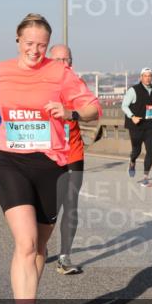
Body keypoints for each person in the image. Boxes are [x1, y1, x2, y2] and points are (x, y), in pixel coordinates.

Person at [0, 14, 100, 304]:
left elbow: (93, 109)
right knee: (26, 243)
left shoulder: (59, 72)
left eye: (41, 45)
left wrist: (69, 112)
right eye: (29, 44)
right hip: (10, 161)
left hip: (51, 166)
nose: (35, 50)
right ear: (17, 41)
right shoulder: (1, 70)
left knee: (41, 247)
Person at [49, 44, 86, 275]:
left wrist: (72, 112)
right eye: (58, 60)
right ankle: (39, 244)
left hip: (73, 153)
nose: (63, 64)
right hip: (47, 154)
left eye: (67, 59)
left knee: (70, 205)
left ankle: (64, 257)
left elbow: (92, 111)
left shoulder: (77, 86)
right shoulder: (39, 87)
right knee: (48, 208)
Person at [120, 67, 152, 187]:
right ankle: (132, 161)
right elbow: (124, 106)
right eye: (145, 76)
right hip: (136, 126)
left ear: (151, 77)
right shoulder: (133, 90)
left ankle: (145, 178)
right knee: (137, 151)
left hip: (149, 125)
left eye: (149, 76)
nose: (147, 78)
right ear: (141, 77)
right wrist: (132, 116)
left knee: (150, 151)